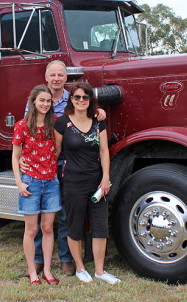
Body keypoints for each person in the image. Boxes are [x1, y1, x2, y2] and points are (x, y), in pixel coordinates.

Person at [21, 60, 106, 276]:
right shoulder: (38, 100)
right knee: (40, 215)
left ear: (66, 77)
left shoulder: (74, 98)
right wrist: (22, 157)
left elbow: (86, 112)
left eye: (60, 75)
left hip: (68, 168)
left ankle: (66, 258)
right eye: (53, 75)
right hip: (44, 167)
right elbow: (27, 133)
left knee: (67, 215)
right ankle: (38, 260)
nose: (56, 79)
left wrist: (99, 111)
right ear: (46, 77)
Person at [54, 82, 120, 285]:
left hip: (97, 183)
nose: (81, 100)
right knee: (74, 226)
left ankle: (100, 271)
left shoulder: (98, 122)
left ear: (90, 100)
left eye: (85, 97)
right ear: (71, 99)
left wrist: (105, 178)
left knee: (100, 227)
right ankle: (80, 269)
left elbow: (104, 151)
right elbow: (55, 152)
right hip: (73, 183)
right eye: (77, 97)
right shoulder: (62, 123)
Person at [12, 84, 62, 285]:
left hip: (51, 182)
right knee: (31, 230)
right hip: (30, 182)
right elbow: (15, 157)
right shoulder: (22, 126)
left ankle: (47, 271)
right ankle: (33, 271)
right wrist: (19, 183)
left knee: (48, 227)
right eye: (41, 100)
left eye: (48, 101)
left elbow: (57, 149)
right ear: (33, 102)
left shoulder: (55, 124)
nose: (45, 104)